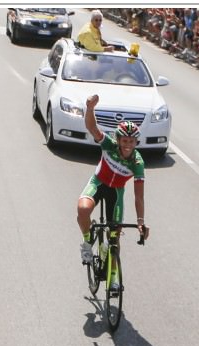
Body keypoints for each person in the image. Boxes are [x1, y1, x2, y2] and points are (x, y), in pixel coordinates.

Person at [76, 95, 149, 290]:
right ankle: (87, 242)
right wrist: (90, 109)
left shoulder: (138, 162)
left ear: (136, 142)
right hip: (98, 183)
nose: (128, 145)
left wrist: (141, 222)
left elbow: (139, 196)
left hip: (116, 193)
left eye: (132, 142)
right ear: (118, 139)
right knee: (83, 210)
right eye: (125, 140)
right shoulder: (109, 144)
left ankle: (113, 277)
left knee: (114, 237)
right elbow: (93, 128)